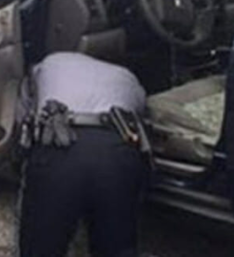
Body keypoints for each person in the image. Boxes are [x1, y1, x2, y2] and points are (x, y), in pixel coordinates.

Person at [18, 53, 149, 257]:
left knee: (42, 247)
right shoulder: (129, 77)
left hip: (61, 148)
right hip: (117, 150)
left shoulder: (48, 63)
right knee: (117, 248)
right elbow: (139, 113)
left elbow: (25, 121)